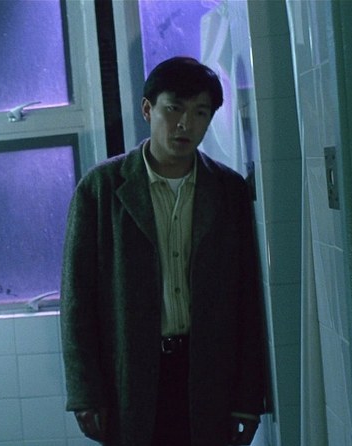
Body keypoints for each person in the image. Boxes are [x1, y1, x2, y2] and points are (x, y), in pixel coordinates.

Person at [59, 57, 268, 446]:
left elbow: (247, 299)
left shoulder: (228, 190)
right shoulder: (101, 189)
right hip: (130, 375)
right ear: (147, 109)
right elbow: (77, 302)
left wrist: (247, 398)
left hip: (209, 374)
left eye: (200, 112)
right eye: (173, 108)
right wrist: (85, 391)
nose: (185, 124)